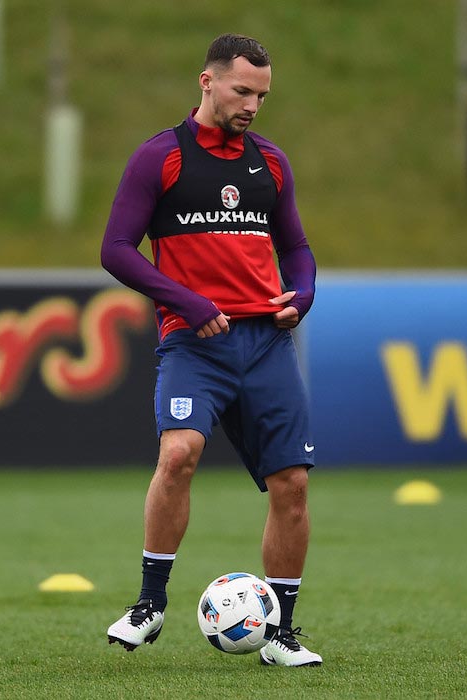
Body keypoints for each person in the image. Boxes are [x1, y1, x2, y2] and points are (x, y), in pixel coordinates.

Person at [101, 33, 321, 668]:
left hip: (266, 343)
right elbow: (116, 248)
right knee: (179, 453)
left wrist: (301, 295)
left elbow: (297, 247)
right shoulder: (160, 157)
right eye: (241, 90)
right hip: (195, 343)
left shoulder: (271, 162)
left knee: (292, 485)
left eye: (261, 95)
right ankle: (149, 606)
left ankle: (280, 634)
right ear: (208, 81)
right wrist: (189, 303)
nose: (252, 104)